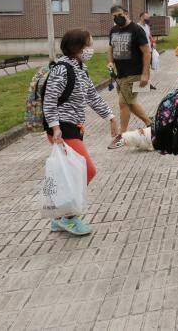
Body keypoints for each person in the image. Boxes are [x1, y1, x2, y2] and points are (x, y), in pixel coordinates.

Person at [44, 29, 118, 235]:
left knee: (70, 173)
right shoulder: (61, 69)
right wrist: (55, 127)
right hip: (62, 128)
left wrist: (110, 116)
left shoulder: (80, 68)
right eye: (89, 45)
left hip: (74, 126)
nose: (91, 49)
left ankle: (59, 217)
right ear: (77, 48)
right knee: (86, 170)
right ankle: (68, 217)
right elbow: (49, 100)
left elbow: (92, 97)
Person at [107, 5, 152, 149]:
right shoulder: (113, 30)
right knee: (129, 102)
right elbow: (110, 48)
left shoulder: (136, 30)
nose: (117, 18)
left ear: (126, 13)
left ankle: (123, 135)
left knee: (123, 103)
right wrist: (110, 63)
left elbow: (146, 52)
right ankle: (151, 123)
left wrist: (146, 74)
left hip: (135, 73)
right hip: (120, 74)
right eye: (114, 16)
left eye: (119, 14)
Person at [137, 12, 157, 90]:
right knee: (141, 67)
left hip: (148, 50)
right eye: (147, 18)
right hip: (140, 51)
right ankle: (140, 83)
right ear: (141, 17)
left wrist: (153, 42)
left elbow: (149, 36)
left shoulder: (147, 26)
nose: (148, 19)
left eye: (149, 18)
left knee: (147, 66)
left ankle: (148, 83)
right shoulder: (137, 27)